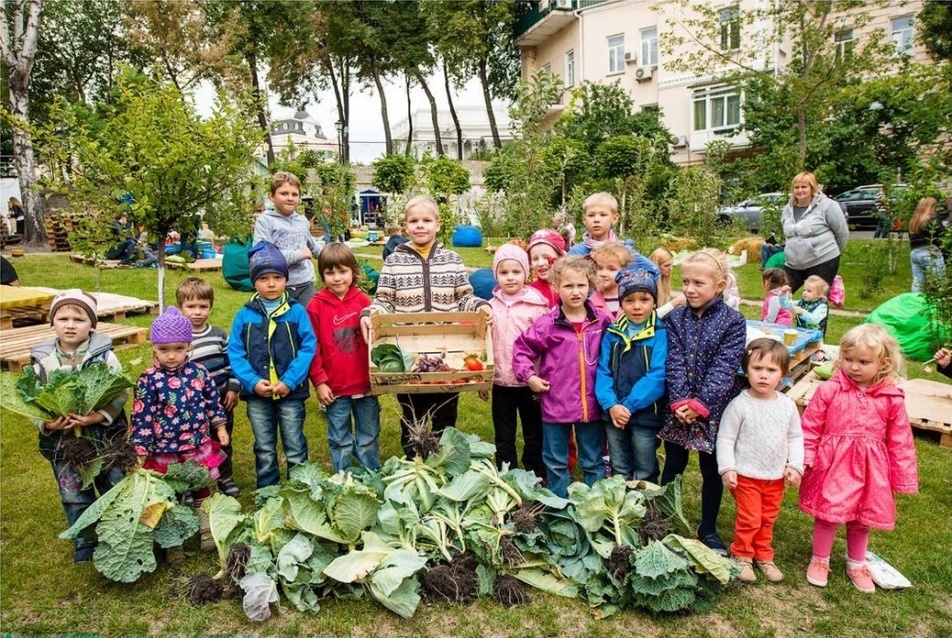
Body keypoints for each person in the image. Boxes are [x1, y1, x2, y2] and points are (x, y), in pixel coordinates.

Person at [360, 196, 491, 458]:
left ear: (438, 224)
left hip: (448, 353)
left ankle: (444, 463)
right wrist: (369, 314)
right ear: (406, 226)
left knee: (445, 414)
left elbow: (463, 296)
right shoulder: (394, 262)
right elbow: (384, 300)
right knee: (412, 416)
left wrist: (480, 306)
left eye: (427, 220)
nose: (421, 226)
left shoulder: (451, 259)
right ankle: (413, 463)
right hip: (410, 354)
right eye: (414, 221)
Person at [799, 324, 918, 592]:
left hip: (871, 468)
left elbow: (900, 441)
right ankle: (820, 559)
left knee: (862, 517)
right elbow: (811, 425)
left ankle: (856, 563)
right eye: (849, 359)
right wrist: (806, 455)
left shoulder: (891, 398)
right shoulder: (830, 390)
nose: (854, 367)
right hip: (833, 465)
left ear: (883, 362)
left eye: (863, 362)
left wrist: (902, 476)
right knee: (829, 513)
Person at [30, 290, 128, 563]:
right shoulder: (42, 360)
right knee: (73, 493)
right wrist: (46, 422)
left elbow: (120, 392)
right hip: (63, 442)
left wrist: (98, 416)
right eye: (63, 318)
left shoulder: (104, 355)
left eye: (79, 319)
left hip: (104, 436)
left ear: (92, 324)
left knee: (115, 484)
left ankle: (118, 531)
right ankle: (84, 540)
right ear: (53, 323)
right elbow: (31, 400)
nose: (70, 324)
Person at [660, 249, 747, 555]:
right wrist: (681, 401)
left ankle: (707, 527)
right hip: (678, 408)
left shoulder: (733, 322)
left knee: (712, 470)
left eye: (698, 283)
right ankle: (662, 518)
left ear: (719, 285)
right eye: (685, 282)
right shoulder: (675, 319)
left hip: (714, 409)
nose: (689, 289)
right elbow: (672, 361)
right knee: (673, 464)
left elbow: (725, 368)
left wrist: (700, 404)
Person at [512, 255, 612, 497]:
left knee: (593, 458)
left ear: (590, 286)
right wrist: (529, 377)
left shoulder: (602, 320)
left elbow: (615, 352)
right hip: (556, 403)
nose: (575, 292)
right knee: (556, 459)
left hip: (592, 405)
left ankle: (594, 503)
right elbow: (521, 349)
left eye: (580, 285)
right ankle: (560, 504)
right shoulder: (548, 323)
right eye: (568, 286)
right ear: (556, 288)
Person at [131, 307, 229, 552]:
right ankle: (172, 541)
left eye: (178, 349)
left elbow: (213, 402)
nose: (171, 356)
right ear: (154, 347)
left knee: (201, 487)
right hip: (164, 448)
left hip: (196, 444)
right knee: (167, 496)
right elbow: (141, 416)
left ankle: (207, 530)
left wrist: (220, 426)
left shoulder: (199, 373)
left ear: (188, 347)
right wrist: (140, 448)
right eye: (164, 350)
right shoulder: (148, 379)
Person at [229, 241, 317, 487]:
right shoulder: (244, 315)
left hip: (290, 393)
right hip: (258, 395)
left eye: (277, 277)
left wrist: (289, 381)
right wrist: (252, 382)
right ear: (253, 281)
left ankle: (301, 490)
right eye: (264, 278)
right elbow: (235, 352)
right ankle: (267, 492)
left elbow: (308, 348)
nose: (271, 284)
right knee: (265, 447)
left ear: (285, 279)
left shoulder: (297, 312)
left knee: (295, 444)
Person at [716, 338, 804, 583]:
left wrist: (795, 465)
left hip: (775, 476)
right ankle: (742, 554)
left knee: (767, 518)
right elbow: (725, 438)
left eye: (771, 370)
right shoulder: (739, 405)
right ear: (746, 369)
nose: (763, 375)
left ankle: (764, 555)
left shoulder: (787, 406)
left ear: (783, 374)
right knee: (750, 517)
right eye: (757, 368)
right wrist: (728, 468)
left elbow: (796, 437)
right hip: (745, 475)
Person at [307, 243, 380, 472]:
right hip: (335, 388)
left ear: (353, 272)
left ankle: (369, 475)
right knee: (340, 438)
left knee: (368, 435)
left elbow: (378, 341)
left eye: (342, 271)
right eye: (330, 273)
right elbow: (312, 347)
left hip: (366, 385)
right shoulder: (315, 306)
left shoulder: (364, 303)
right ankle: (345, 478)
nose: (337, 278)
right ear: (322, 275)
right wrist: (319, 381)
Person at [595, 266, 667, 483]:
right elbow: (602, 371)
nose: (637, 306)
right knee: (619, 464)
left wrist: (629, 406)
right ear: (621, 303)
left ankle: (648, 507)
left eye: (644, 299)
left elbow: (657, 375)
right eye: (629, 300)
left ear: (654, 302)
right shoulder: (612, 334)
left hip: (644, 414)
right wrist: (611, 404)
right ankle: (622, 503)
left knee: (645, 464)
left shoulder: (660, 333)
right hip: (613, 413)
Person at [176, 277, 241, 497]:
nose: (197, 312)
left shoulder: (219, 335)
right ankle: (197, 480)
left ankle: (225, 477)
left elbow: (232, 362)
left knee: (223, 439)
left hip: (222, 400)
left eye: (203, 307)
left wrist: (233, 387)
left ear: (210, 307)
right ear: (181, 308)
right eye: (191, 307)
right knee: (193, 443)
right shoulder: (179, 340)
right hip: (193, 405)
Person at [489, 244, 550, 479]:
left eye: (516, 272)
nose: (510, 277)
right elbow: (486, 344)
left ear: (526, 273)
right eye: (503, 273)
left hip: (530, 382)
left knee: (534, 430)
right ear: (496, 275)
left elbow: (547, 346)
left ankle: (535, 471)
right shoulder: (491, 306)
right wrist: (486, 378)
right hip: (501, 382)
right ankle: (507, 472)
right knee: (503, 432)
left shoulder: (538, 307)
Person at [253, 171, 324, 305]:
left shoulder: (302, 221)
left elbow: (314, 248)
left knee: (313, 320)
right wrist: (299, 254)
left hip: (306, 285)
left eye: (294, 194)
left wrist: (336, 256)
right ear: (272, 197)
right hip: (278, 288)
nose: (290, 198)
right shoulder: (265, 222)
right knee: (284, 324)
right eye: (284, 193)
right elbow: (264, 258)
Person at [781, 171, 849, 293]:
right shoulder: (787, 209)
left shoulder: (828, 205)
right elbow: (788, 235)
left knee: (816, 300)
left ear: (812, 188)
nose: (800, 190)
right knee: (779, 295)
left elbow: (842, 233)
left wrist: (830, 252)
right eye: (797, 187)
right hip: (793, 264)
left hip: (822, 260)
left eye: (804, 187)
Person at [907, 196, 946, 293]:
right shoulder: (932, 219)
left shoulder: (914, 221)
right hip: (929, 252)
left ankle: (915, 304)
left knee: (918, 282)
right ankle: (938, 305)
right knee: (939, 282)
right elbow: (941, 236)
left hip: (915, 253)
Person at [569, 193, 625, 257]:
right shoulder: (576, 253)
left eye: (603, 215)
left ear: (615, 218)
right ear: (584, 219)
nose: (596, 220)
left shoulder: (625, 253)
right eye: (591, 215)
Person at [589, 242, 632, 320]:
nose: (603, 273)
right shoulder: (590, 302)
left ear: (625, 271)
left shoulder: (632, 298)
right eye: (600, 268)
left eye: (611, 269)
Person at [527, 229, 566, 308]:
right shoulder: (531, 292)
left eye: (546, 257)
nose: (540, 263)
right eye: (535, 259)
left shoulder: (570, 286)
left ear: (560, 257)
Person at [649, 247, 685, 319]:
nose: (671, 268)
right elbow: (650, 318)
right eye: (666, 266)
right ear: (656, 265)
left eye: (671, 265)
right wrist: (675, 303)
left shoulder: (663, 282)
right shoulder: (648, 285)